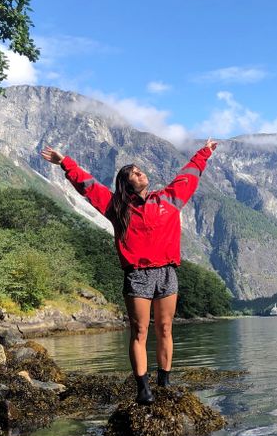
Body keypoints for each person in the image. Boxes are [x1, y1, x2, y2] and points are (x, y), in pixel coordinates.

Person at [39, 138, 217, 405]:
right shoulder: (117, 207)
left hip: (167, 273)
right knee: (139, 331)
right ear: (125, 183)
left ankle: (164, 382)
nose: (140, 172)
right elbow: (88, 186)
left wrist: (204, 152)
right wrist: (65, 162)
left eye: (139, 170)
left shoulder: (168, 199)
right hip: (137, 275)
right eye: (133, 173)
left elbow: (188, 175)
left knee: (166, 328)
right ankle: (143, 389)